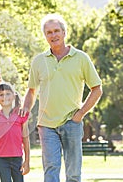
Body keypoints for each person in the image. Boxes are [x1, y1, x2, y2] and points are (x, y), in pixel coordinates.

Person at [22, 14, 103, 182]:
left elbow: (97, 89)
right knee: (51, 170)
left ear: (64, 32)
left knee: (73, 173)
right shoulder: (39, 61)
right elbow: (31, 91)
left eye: (56, 31)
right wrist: (25, 112)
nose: (53, 35)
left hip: (71, 122)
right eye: (49, 32)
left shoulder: (81, 58)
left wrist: (80, 114)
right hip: (46, 124)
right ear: (45, 36)